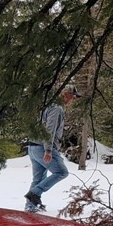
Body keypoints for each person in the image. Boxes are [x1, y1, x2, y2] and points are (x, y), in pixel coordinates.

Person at [24, 84, 82, 212]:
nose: (74, 99)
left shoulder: (46, 105)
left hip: (33, 146)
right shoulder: (56, 109)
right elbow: (49, 130)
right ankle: (34, 194)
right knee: (61, 172)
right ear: (65, 94)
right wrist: (48, 150)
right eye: (73, 96)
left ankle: (31, 206)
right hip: (42, 148)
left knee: (39, 178)